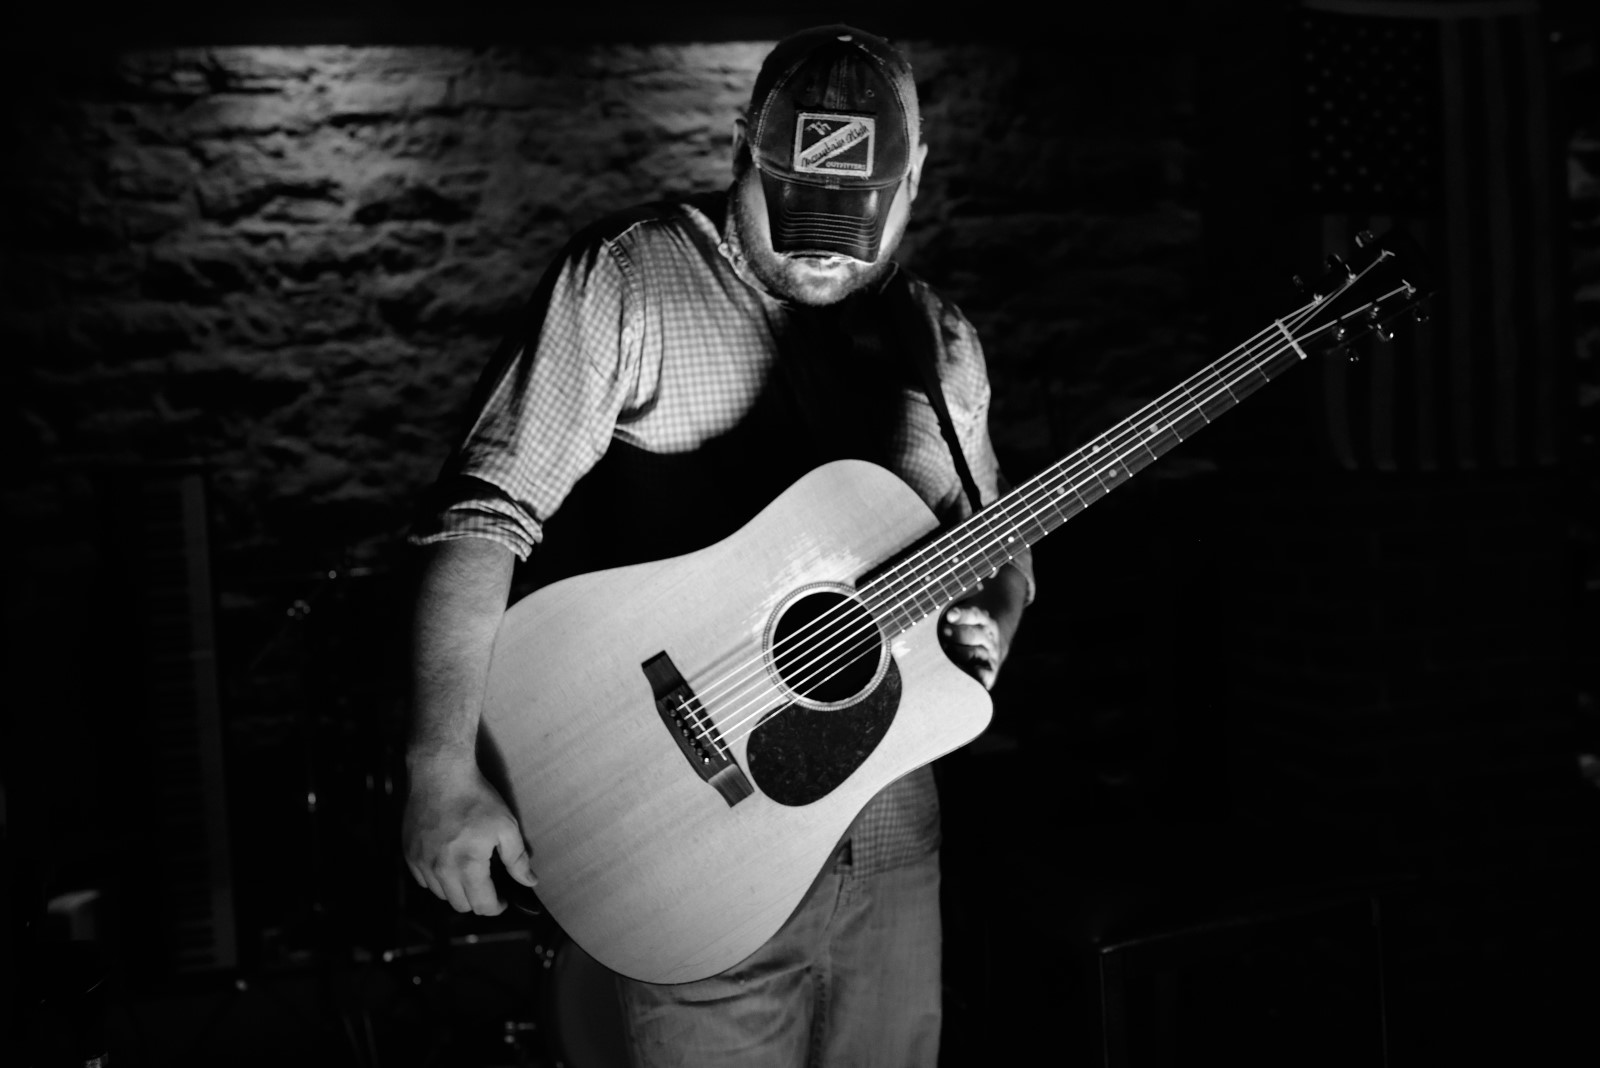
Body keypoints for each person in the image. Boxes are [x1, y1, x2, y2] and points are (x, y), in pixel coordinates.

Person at [401, 24, 1034, 1067]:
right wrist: (438, 767)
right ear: (743, 145)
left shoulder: (937, 341)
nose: (823, 248)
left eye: (855, 218)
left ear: (915, 175)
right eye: (797, 209)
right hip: (687, 837)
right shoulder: (629, 280)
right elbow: (480, 516)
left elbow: (999, 546)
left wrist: (996, 615)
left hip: (887, 831)